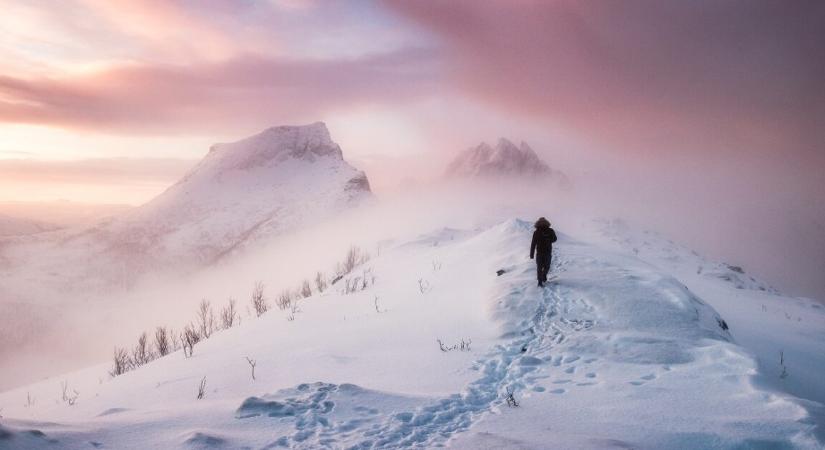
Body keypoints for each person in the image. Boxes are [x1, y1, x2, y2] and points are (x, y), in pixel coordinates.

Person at [530, 217, 557, 287]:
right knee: (541, 267)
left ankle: (543, 276)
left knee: (545, 267)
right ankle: (540, 281)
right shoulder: (537, 232)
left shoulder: (550, 231)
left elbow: (554, 239)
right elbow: (533, 243)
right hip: (542, 252)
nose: (542, 224)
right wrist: (531, 254)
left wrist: (548, 239)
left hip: (545, 252)